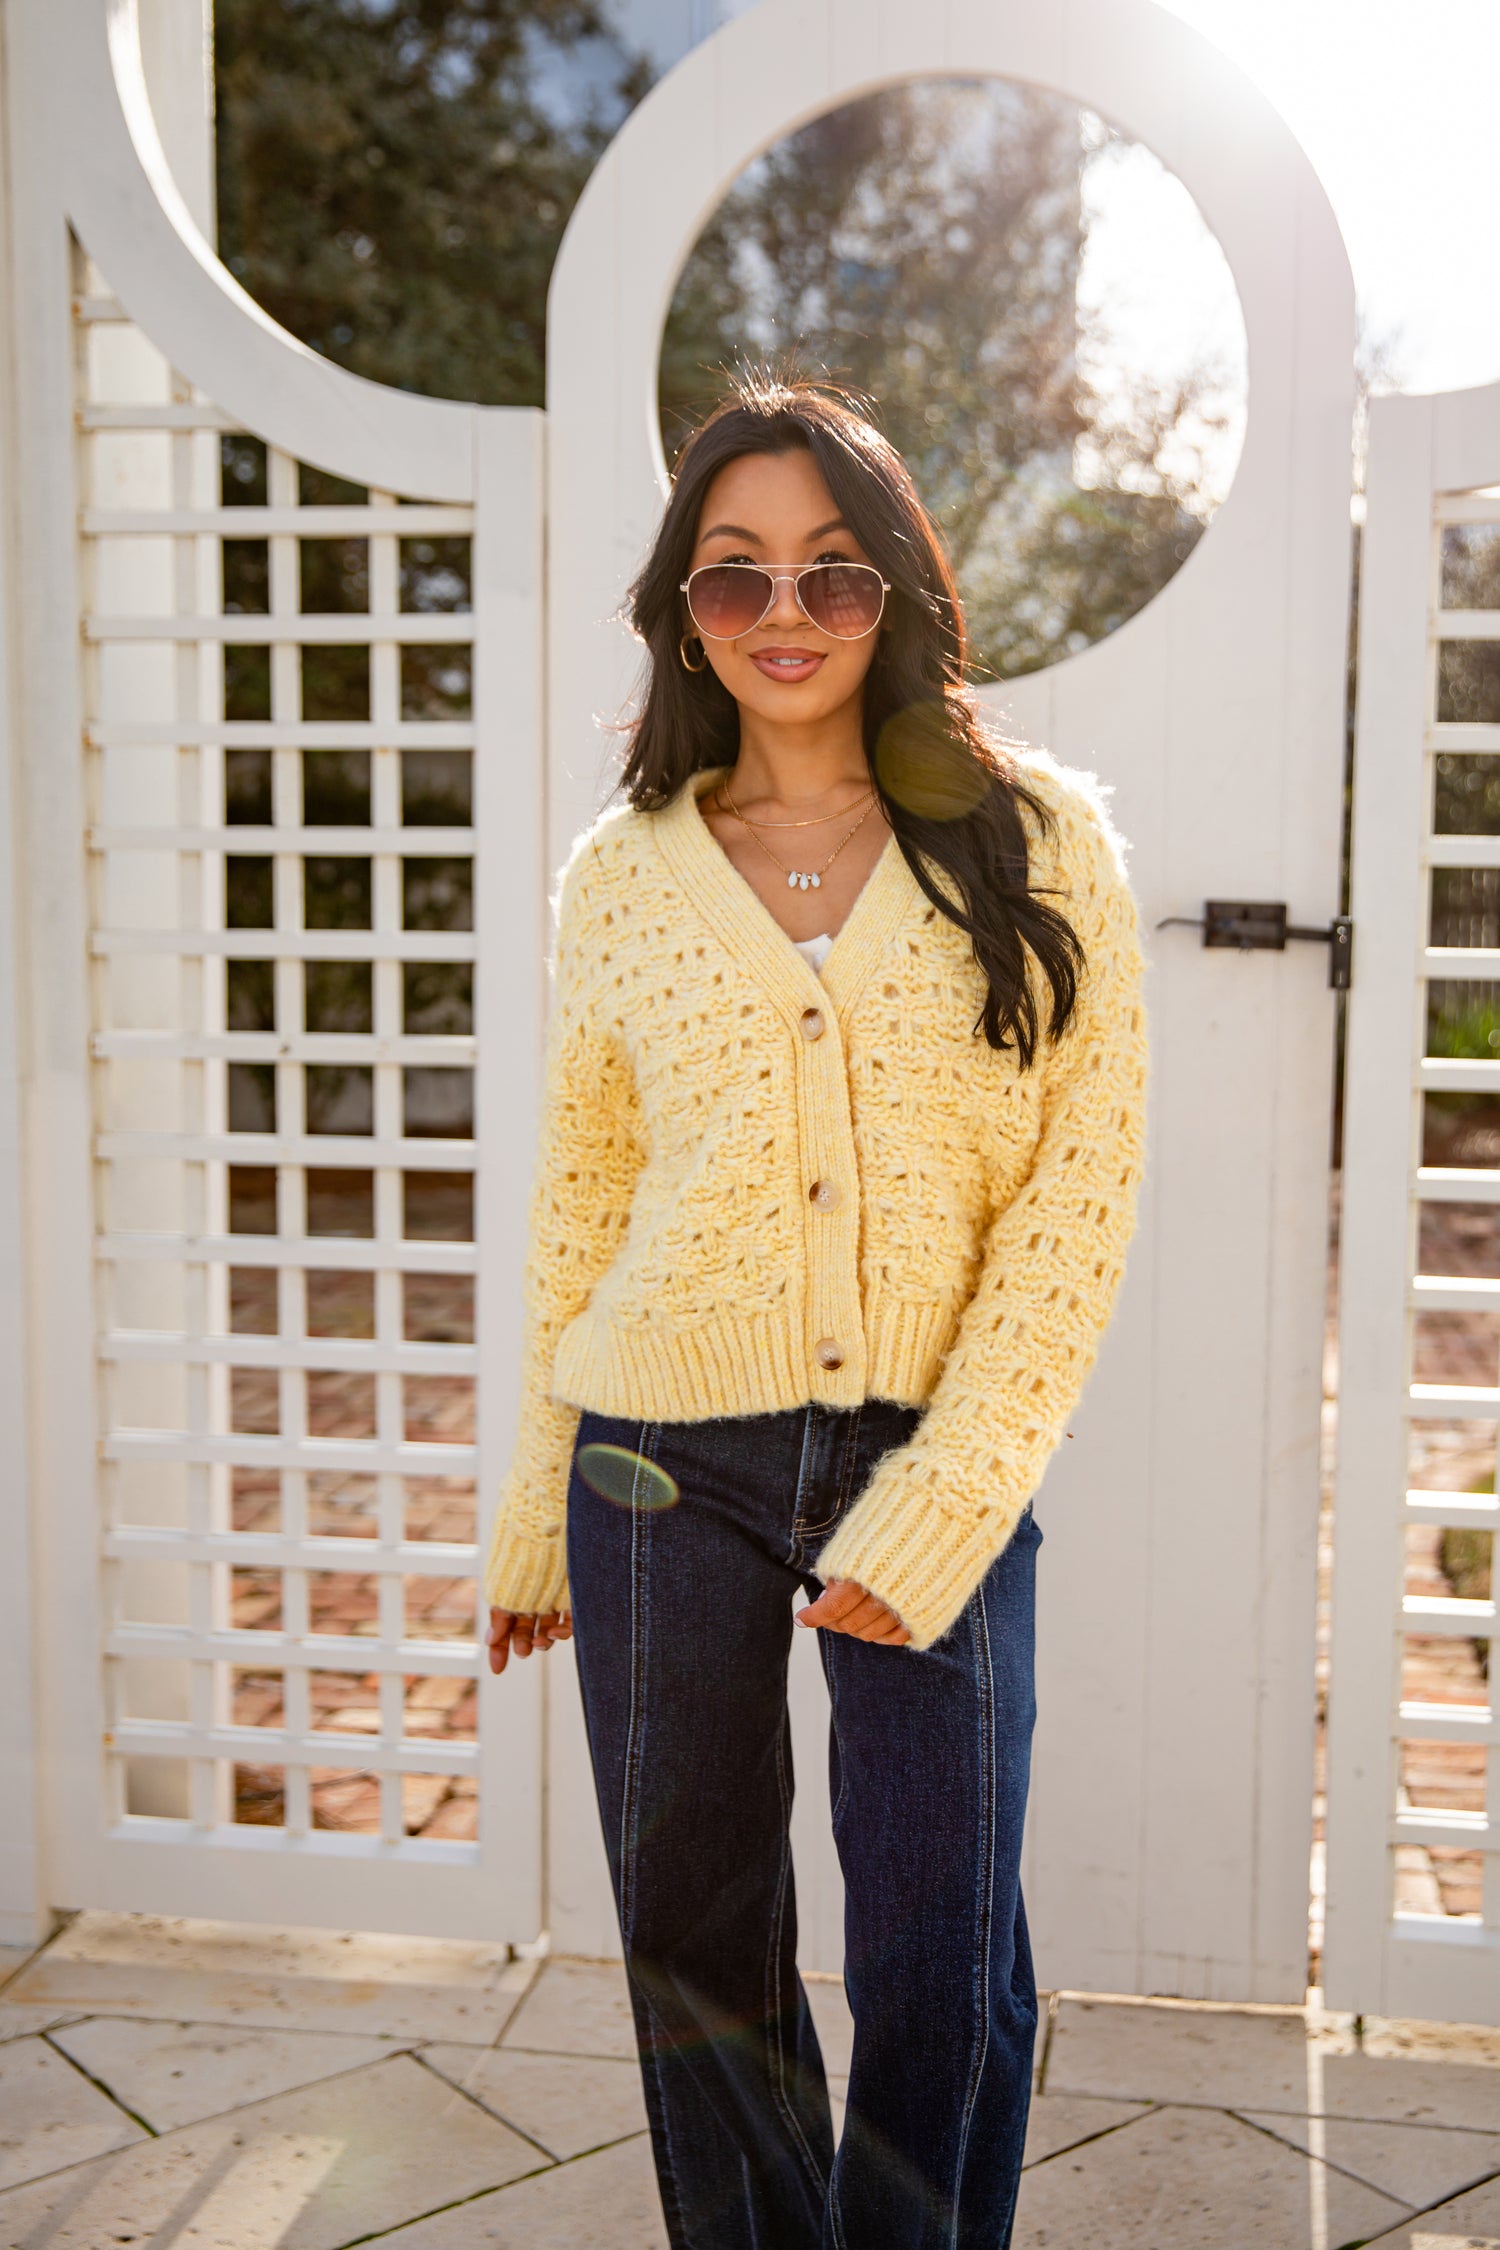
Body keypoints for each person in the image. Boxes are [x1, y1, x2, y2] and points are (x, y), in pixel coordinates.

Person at [482, 370, 1150, 2249]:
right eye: (734, 576)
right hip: (656, 1463)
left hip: (929, 1451)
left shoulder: (1037, 847)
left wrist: (957, 1491)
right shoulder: (618, 879)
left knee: (944, 1953)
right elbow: (582, 1207)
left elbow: (1071, 1212)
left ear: (899, 597)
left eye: (834, 576)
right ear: (681, 610)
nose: (784, 616)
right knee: (697, 1939)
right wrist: (543, 1483)